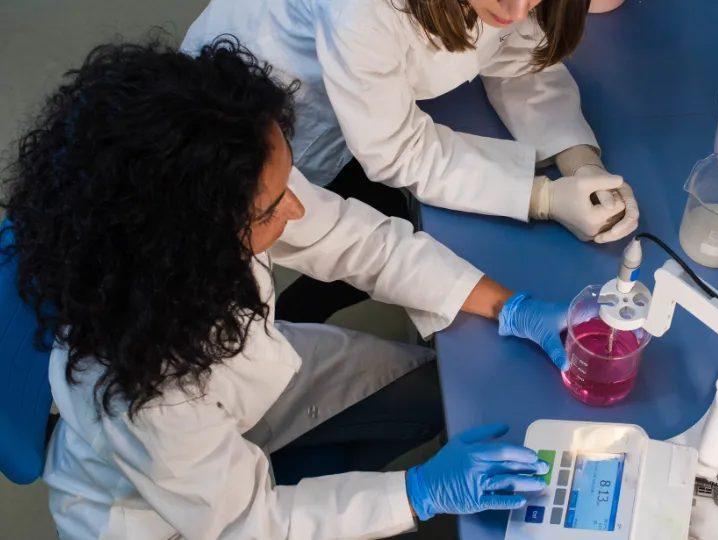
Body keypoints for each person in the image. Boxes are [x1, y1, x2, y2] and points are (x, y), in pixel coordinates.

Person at [1, 39, 570, 540]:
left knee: (431, 390)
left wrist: (508, 305)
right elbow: (251, 525)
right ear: (194, 243)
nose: (295, 208)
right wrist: (418, 493)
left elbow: (358, 241)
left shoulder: (222, 184)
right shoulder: (149, 398)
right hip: (163, 516)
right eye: (273, 207)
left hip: (240, 381)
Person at [181, 0, 640, 323]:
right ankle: (298, 321)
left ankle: (302, 320)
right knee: (297, 232)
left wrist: (577, 157)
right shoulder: (363, 11)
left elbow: (516, 52)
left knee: (358, 234)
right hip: (251, 121)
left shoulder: (509, 7)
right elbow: (396, 149)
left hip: (359, 103)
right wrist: (541, 196)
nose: (518, 11)